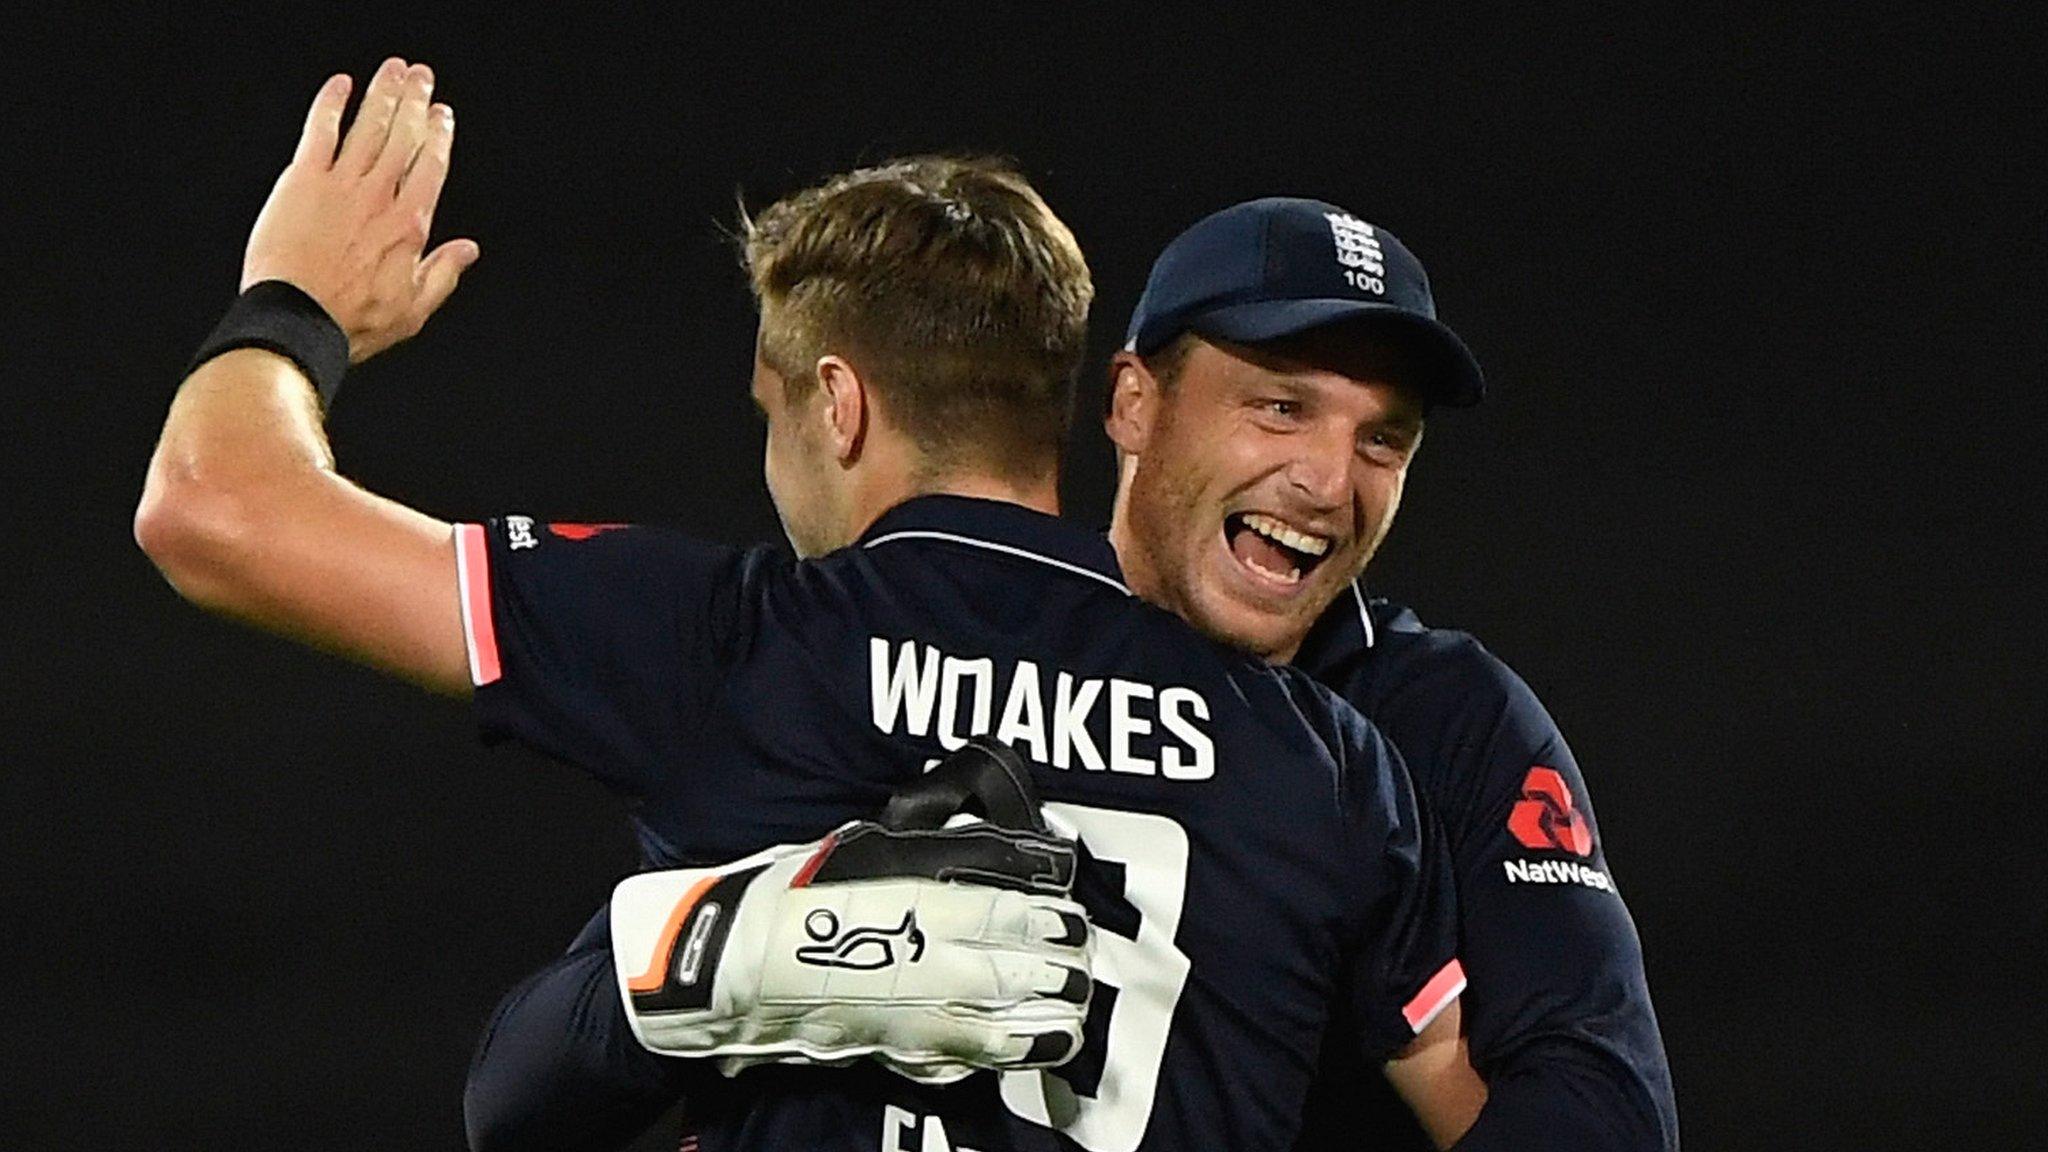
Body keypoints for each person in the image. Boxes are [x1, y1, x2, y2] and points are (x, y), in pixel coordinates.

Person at [134, 58, 1484, 1152]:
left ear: (836, 405)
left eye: (772, 412)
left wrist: (296, 300)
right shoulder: (1329, 760)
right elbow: (1492, 1103)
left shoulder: (752, 642)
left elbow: (214, 509)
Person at [1103, 197, 1680, 1150]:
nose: (1330, 485)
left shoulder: (1451, 722)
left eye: (1383, 438)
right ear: (1135, 402)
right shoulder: (971, 667)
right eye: (1282, 407)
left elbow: (1603, 1110)